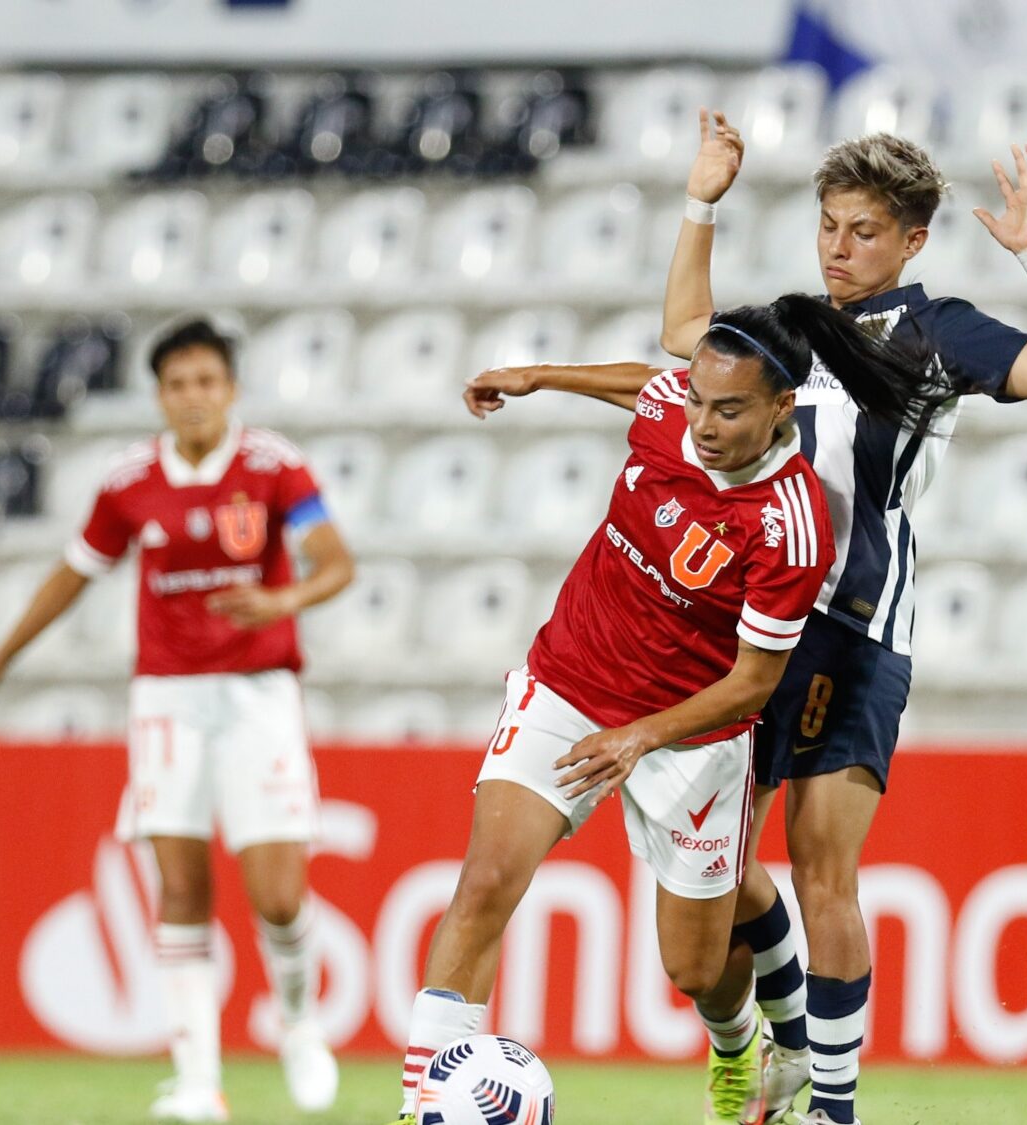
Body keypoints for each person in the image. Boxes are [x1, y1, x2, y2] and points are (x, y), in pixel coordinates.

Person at [464, 118, 1027, 1124]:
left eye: (860, 231)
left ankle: (831, 1107)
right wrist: (701, 203)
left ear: (911, 242)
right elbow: (684, 351)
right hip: (743, 627)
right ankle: (782, 1046)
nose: (837, 248)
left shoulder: (938, 333)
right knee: (721, 875)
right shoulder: (796, 324)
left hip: (850, 625)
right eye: (827, 226)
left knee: (823, 869)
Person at [391, 296, 951, 1125]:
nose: (703, 422)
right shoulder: (672, 413)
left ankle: (740, 1048)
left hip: (693, 733)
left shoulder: (792, 529)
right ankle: (421, 1107)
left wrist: (640, 737)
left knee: (693, 966)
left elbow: (754, 684)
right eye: (696, 398)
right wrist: (539, 375)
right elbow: (643, 387)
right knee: (483, 884)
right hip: (569, 683)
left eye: (727, 409)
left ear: (777, 408)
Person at [0, 318, 356, 1123]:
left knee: (277, 895)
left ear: (230, 388)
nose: (194, 397)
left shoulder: (273, 468)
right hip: (167, 698)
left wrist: (281, 599)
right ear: (160, 395)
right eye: (178, 384)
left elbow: (335, 562)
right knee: (179, 884)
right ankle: (198, 1082)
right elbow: (73, 574)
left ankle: (300, 1021)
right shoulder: (128, 479)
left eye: (207, 381)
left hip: (257, 690)